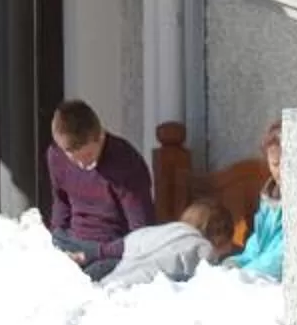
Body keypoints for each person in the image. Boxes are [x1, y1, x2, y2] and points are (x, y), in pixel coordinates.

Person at [45, 97, 156, 276]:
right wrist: (55, 236)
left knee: (81, 285)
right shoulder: (56, 156)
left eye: (88, 155)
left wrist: (94, 253)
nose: (81, 164)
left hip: (111, 249)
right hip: (71, 241)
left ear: (100, 136)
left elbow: (141, 234)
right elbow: (61, 202)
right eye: (72, 157)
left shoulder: (126, 163)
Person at [98, 195, 235, 291]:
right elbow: (213, 279)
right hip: (137, 293)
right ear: (220, 236)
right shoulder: (203, 249)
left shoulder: (154, 233)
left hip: (109, 284)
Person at [231, 120, 285, 280]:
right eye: (275, 164)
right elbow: (258, 242)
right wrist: (237, 263)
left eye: (288, 162)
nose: (282, 171)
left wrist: (245, 274)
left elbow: (283, 255)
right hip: (260, 276)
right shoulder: (270, 200)